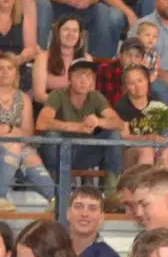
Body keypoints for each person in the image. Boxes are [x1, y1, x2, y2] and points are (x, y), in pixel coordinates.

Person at [0, 53, 52, 203]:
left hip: (14, 148)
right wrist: (14, 136)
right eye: (0, 68)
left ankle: (56, 199)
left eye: (9, 68)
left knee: (30, 155)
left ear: (16, 72)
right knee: (15, 147)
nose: (5, 72)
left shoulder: (23, 97)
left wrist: (7, 129)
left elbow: (28, 134)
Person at [39, 56, 122, 194]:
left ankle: (110, 192)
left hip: (86, 152)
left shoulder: (96, 96)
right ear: (69, 78)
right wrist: (76, 126)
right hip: (62, 151)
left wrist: (98, 121)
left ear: (93, 80)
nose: (84, 80)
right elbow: (41, 122)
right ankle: (55, 192)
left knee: (114, 134)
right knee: (51, 135)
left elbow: (118, 123)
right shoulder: (57, 95)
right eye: (79, 75)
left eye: (89, 76)